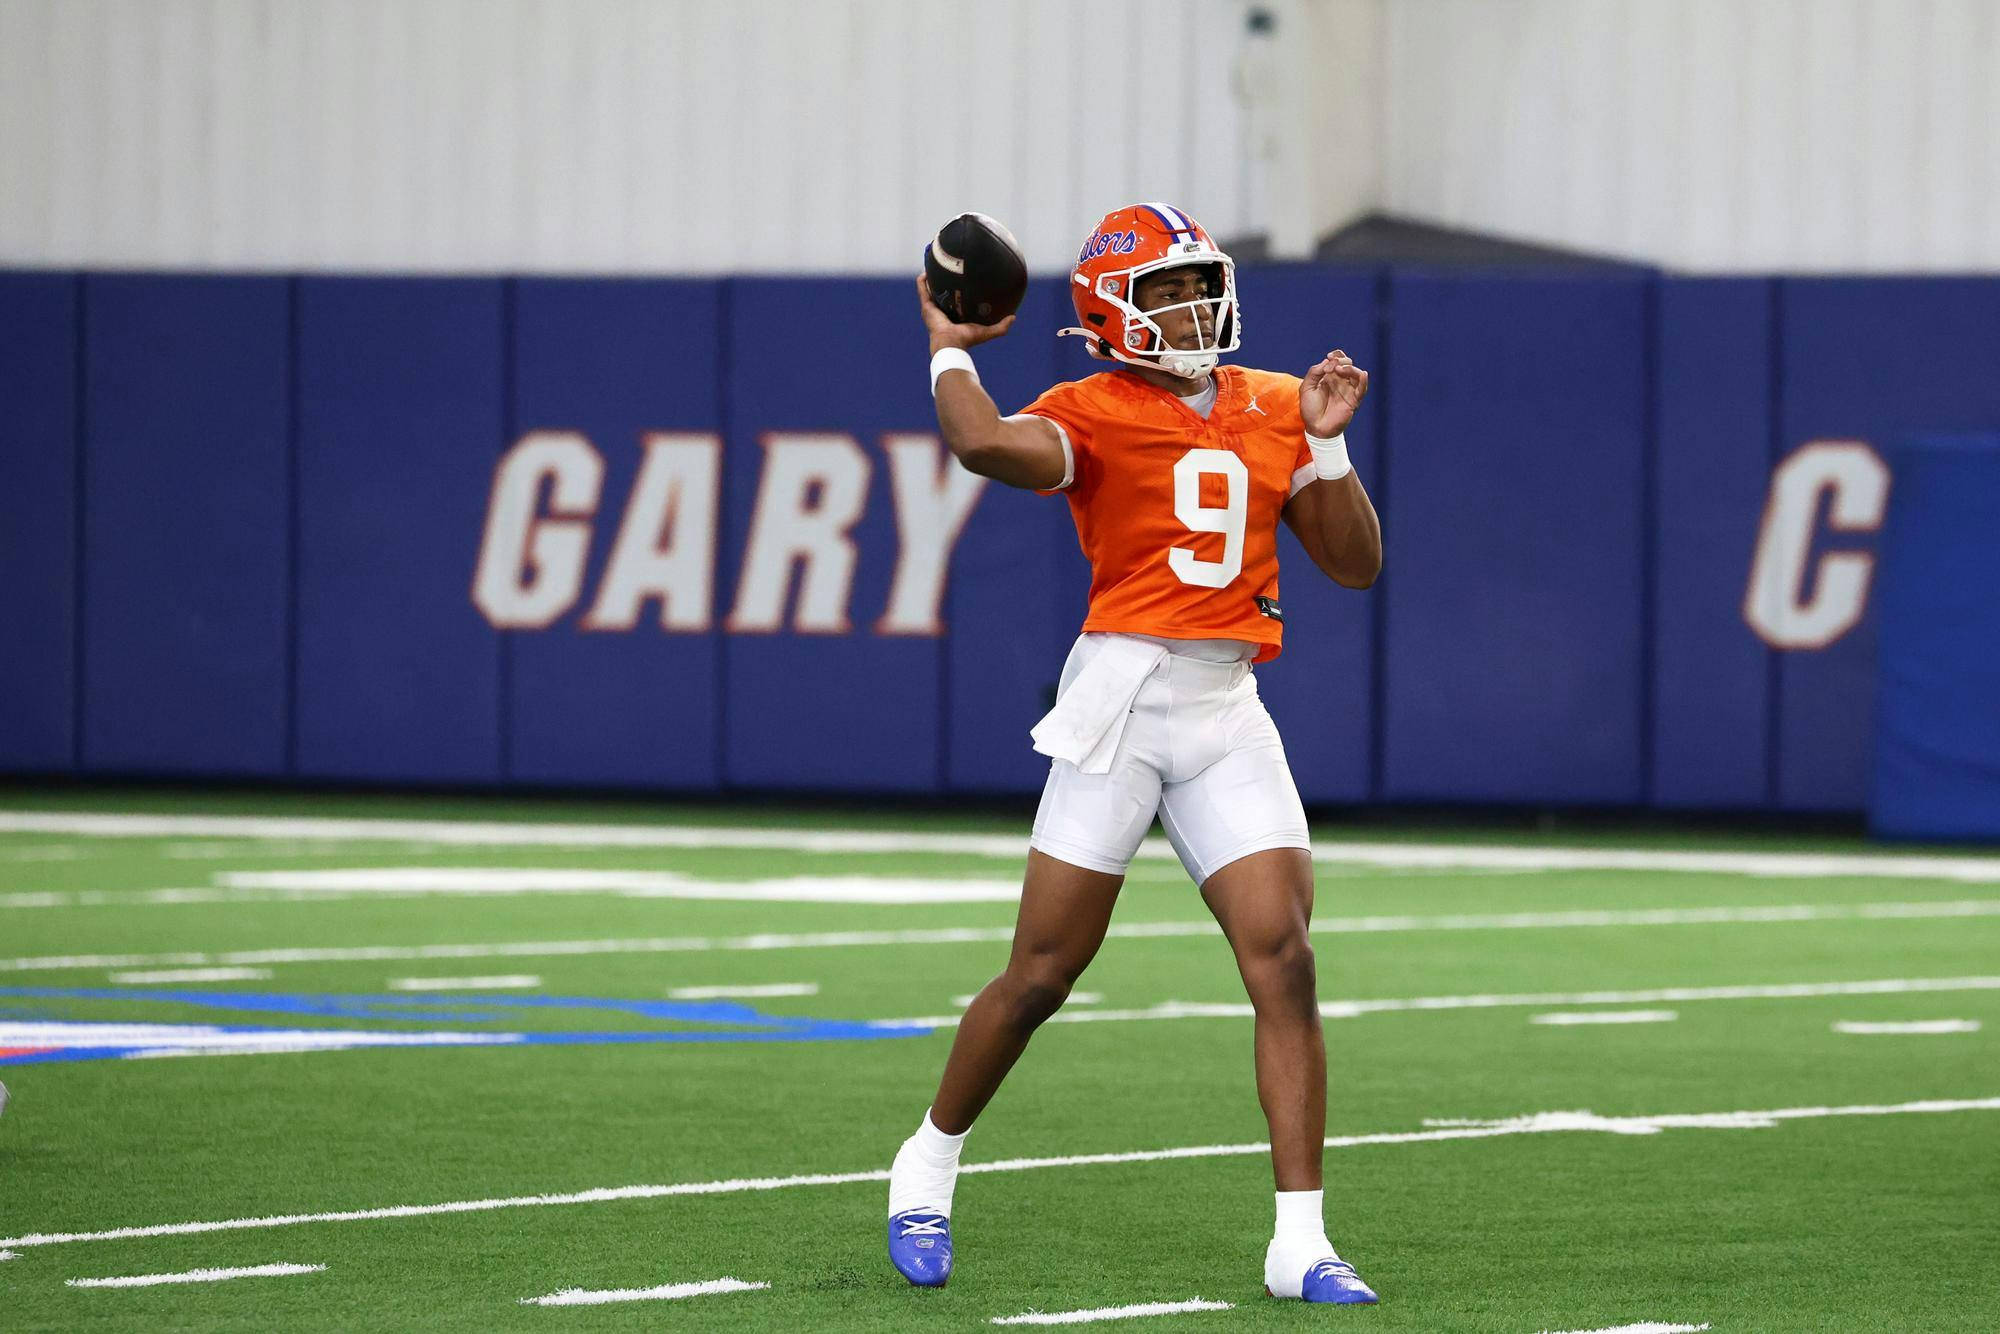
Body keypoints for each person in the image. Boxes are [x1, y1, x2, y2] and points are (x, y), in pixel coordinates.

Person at [887, 203, 1383, 1304]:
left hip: (1225, 703)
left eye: (1199, 282)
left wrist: (1328, 440)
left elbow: (1353, 565)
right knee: (1041, 974)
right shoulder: (1091, 408)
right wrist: (947, 350)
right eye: (1166, 289)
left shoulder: (1269, 401)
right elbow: (980, 444)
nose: (1194, 305)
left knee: (1285, 956)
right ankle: (925, 1161)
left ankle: (1298, 1239)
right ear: (1116, 308)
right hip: (1121, 699)